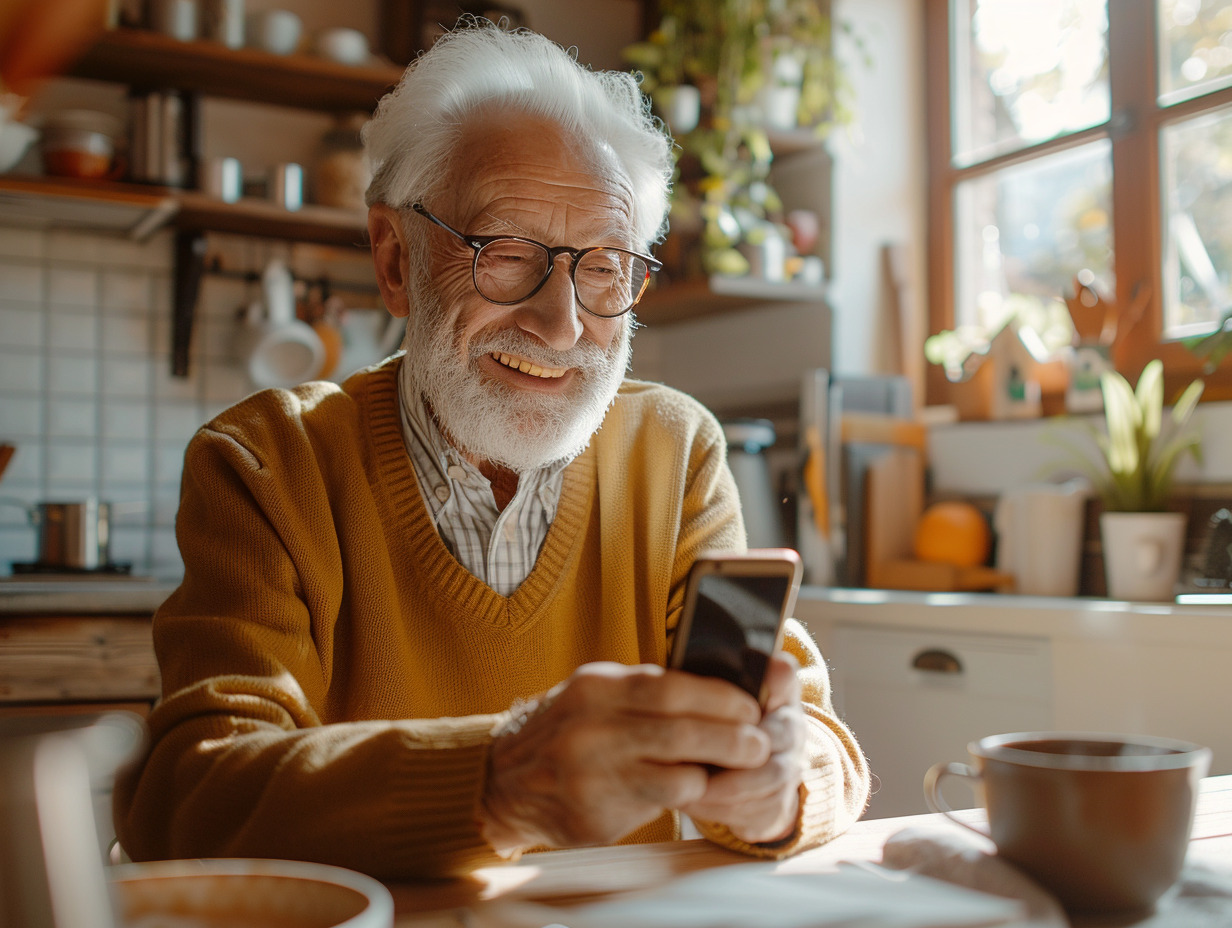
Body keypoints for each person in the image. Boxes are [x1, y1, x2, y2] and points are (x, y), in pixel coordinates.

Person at [114, 21, 869, 881]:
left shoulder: (674, 451)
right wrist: (502, 782)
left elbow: (819, 747)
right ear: (395, 259)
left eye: (604, 268)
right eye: (506, 255)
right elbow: (186, 799)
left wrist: (776, 785)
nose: (562, 323)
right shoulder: (266, 462)